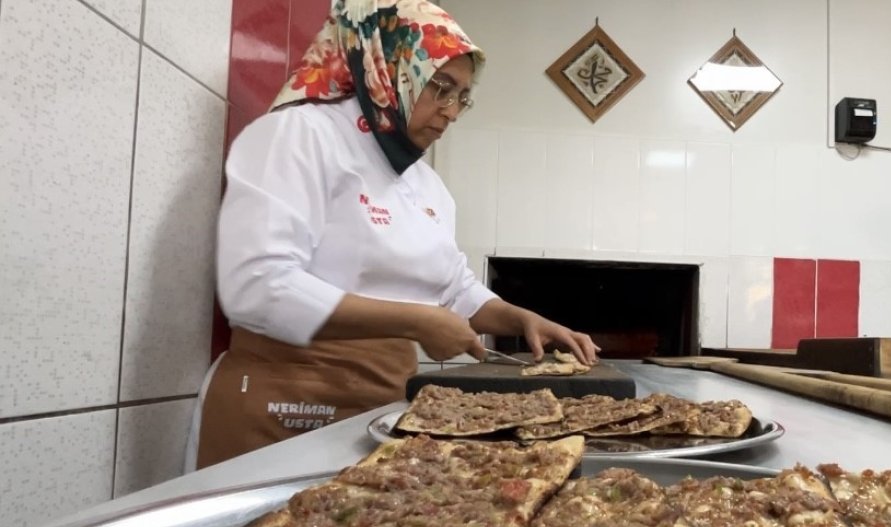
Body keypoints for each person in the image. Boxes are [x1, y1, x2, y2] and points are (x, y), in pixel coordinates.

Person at [194, 0, 599, 468]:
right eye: (441, 87)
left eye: (462, 97)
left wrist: (520, 319)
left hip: (383, 406)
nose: (450, 111)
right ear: (388, 67)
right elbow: (256, 288)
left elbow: (454, 288)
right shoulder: (298, 135)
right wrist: (416, 322)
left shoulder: (424, 184)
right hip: (286, 405)